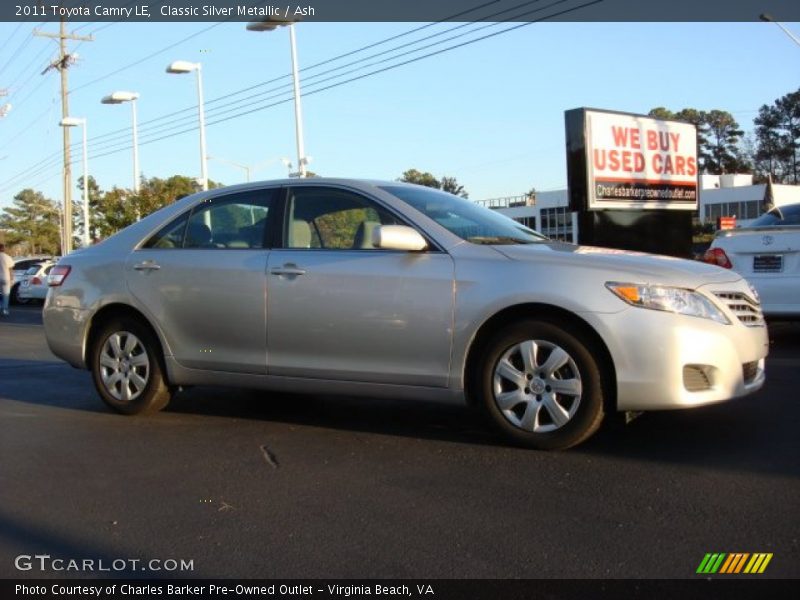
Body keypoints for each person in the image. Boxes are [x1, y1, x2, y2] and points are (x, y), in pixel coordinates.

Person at [0, 243, 14, 317]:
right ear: (3, 248)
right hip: (5, 278)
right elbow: (10, 269)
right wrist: (12, 279)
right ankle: (4, 310)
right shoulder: (7, 257)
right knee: (6, 295)